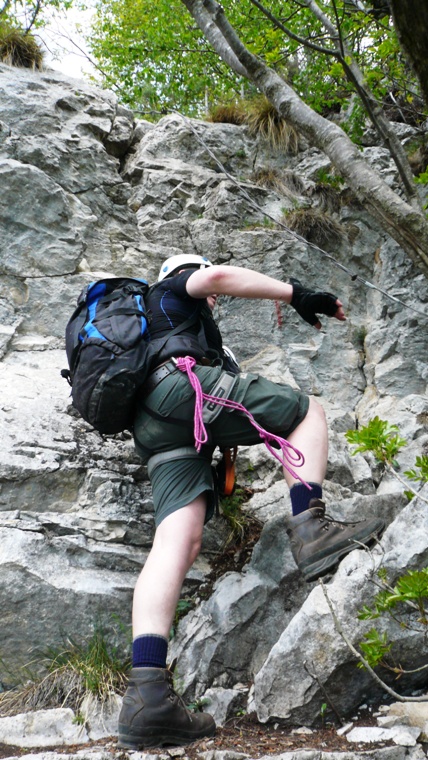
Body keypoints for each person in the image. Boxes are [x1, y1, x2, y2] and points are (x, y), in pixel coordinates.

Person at [118, 254, 384, 750]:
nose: (213, 297)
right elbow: (215, 277)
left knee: (178, 539)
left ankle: (147, 694)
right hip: (183, 388)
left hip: (153, 426)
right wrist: (295, 292)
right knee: (306, 412)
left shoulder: (157, 329)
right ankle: (311, 527)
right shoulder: (175, 290)